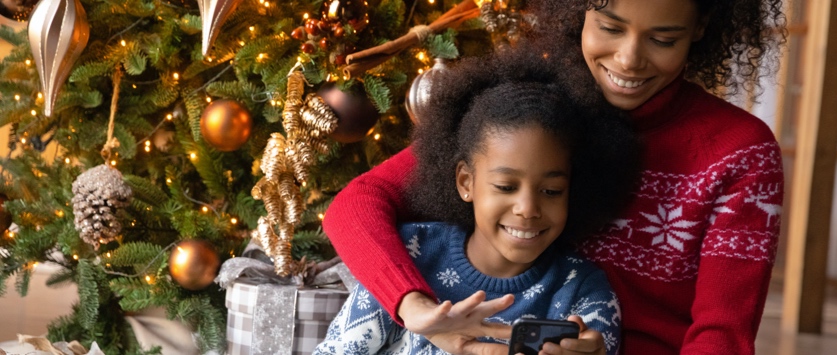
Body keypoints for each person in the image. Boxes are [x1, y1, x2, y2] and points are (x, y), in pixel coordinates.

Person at [323, 0, 786, 354]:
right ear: (577, 10)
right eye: (609, 27)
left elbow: (722, 336)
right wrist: (413, 306)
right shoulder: (535, 112)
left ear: (701, 29)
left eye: (663, 39)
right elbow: (357, 204)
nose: (628, 60)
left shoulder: (741, 151)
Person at [314, 47, 640, 355]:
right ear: (465, 182)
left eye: (551, 191)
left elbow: (595, 344)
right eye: (505, 186)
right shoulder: (410, 253)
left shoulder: (583, 291)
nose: (528, 208)